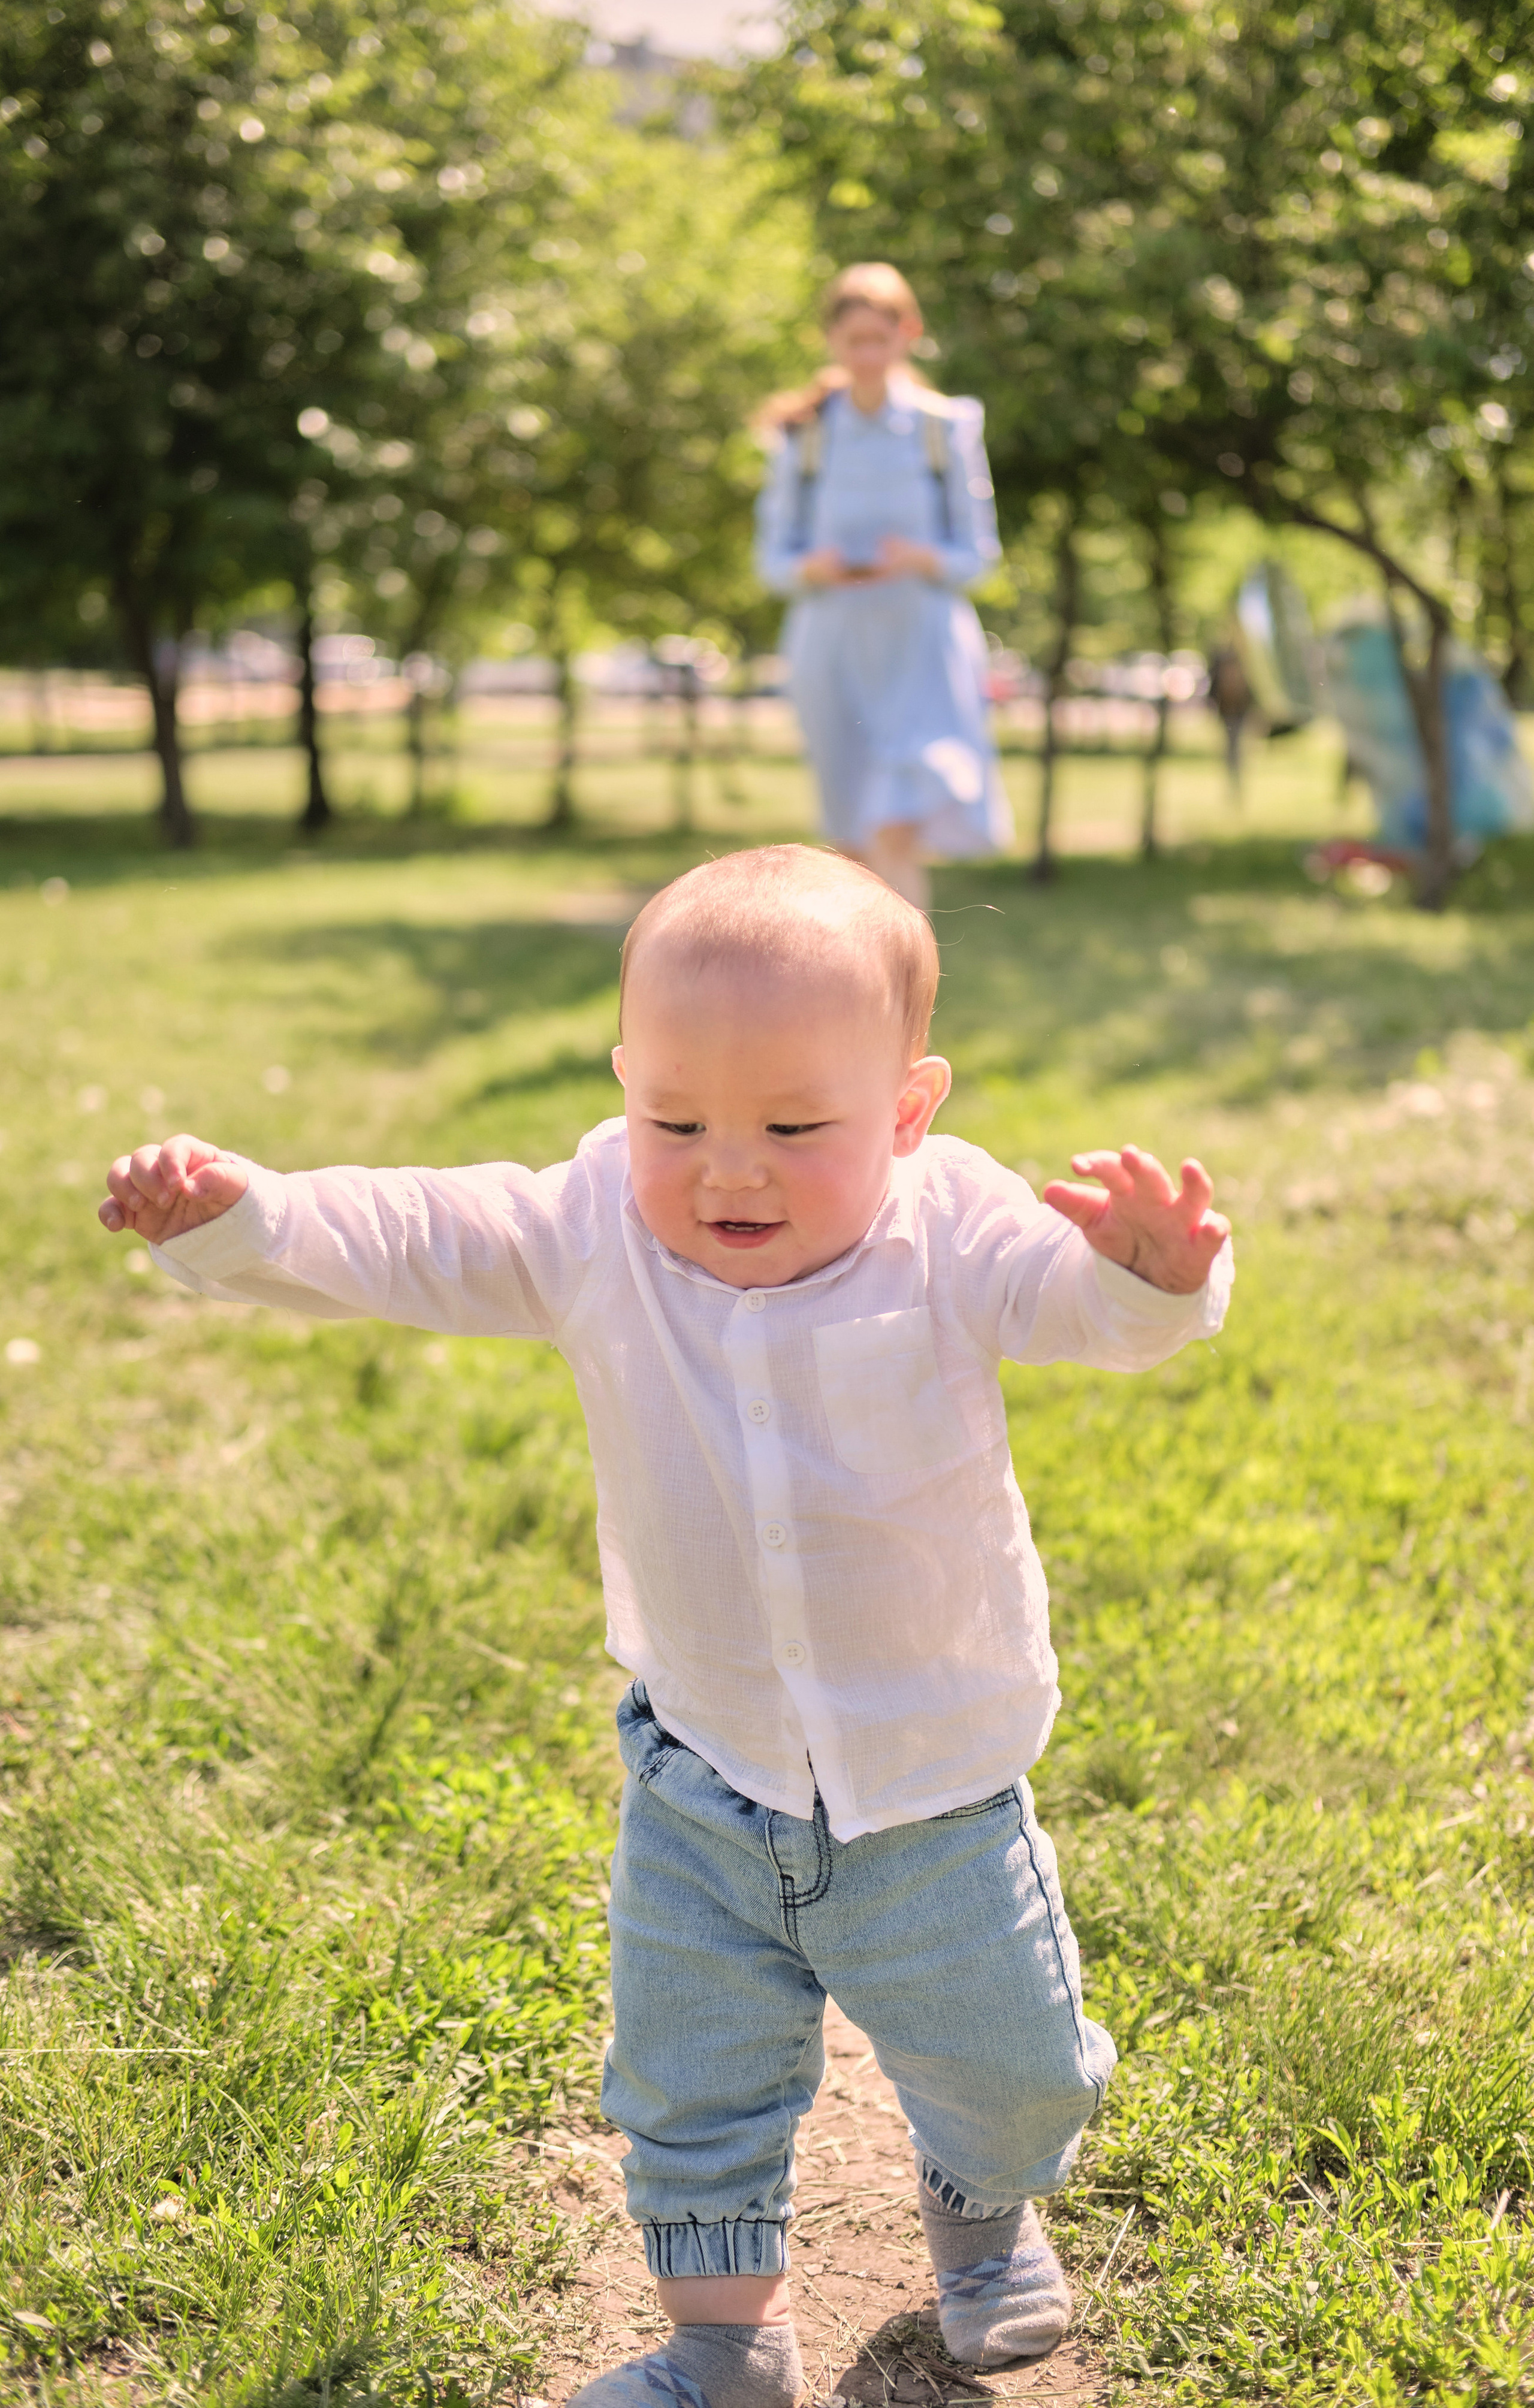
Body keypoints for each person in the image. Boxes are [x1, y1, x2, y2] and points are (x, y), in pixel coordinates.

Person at [98, 845, 1232, 2406]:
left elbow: (1075, 1302)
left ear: (907, 1111)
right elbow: (422, 1232)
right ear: (626, 1084)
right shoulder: (594, 1223)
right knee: (689, 2082)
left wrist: (1151, 1281)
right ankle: (724, 2344)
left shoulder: (953, 1228)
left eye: (794, 1128)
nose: (728, 1172)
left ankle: (979, 2209)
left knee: (1012, 2067)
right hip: (701, 1775)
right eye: (676, 1122)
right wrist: (252, 1213)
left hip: (932, 1786)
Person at [755, 265, 1014, 911]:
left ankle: (908, 970)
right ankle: (856, 971)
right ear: (831, 341)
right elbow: (772, 559)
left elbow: (978, 556)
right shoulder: (804, 433)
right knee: (849, 841)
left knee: (897, 826)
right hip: (833, 644)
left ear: (908, 334)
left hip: (919, 645)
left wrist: (921, 558)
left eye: (880, 338)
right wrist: (811, 568)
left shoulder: (944, 427)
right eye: (855, 341)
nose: (868, 355)